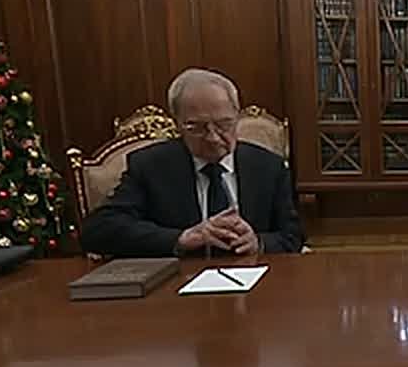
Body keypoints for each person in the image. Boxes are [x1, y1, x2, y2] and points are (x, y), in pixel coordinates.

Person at [80, 68, 304, 258]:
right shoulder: (150, 167)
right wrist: (181, 238)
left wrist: (258, 243)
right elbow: (98, 231)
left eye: (224, 124)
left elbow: (293, 236)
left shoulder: (268, 167)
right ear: (177, 124)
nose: (213, 138)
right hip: (178, 285)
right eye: (196, 128)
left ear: (237, 116)